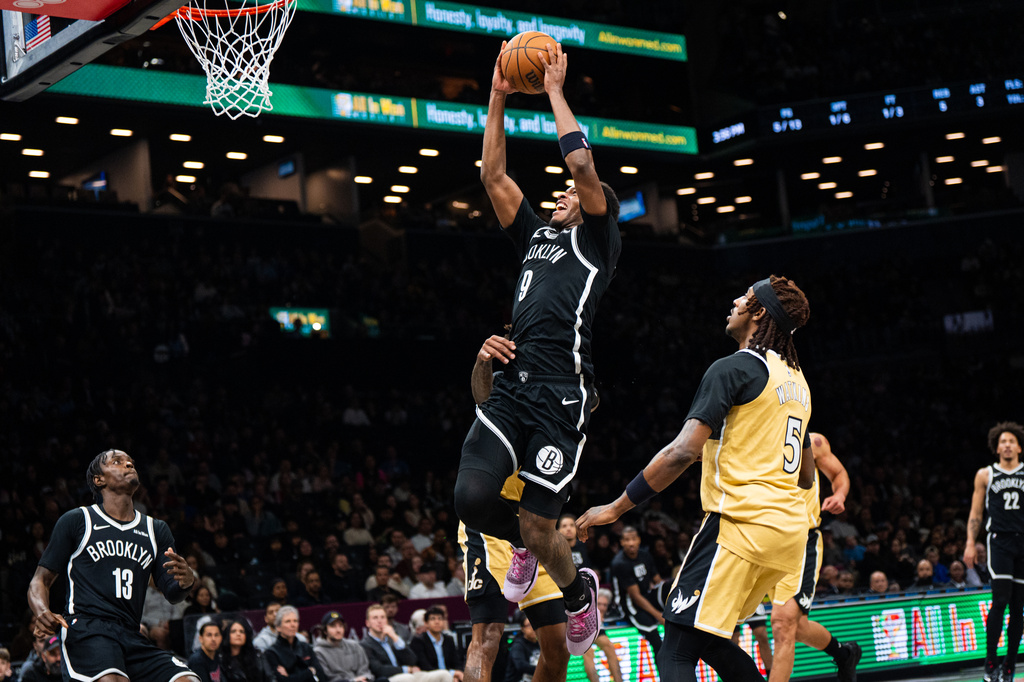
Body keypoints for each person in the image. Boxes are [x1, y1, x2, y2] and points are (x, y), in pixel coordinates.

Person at [452, 37, 622, 656]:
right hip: (514, 388)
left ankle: (579, 595)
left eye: (572, 195)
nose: (563, 193)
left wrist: (552, 90)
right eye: (562, 193)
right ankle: (524, 546)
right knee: (473, 499)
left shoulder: (596, 243)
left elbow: (582, 167)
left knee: (540, 525)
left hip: (561, 396)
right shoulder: (533, 236)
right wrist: (497, 97)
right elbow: (491, 174)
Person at [578, 275, 814, 682]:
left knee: (678, 645)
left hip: (741, 524)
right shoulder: (798, 382)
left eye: (744, 297)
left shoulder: (734, 368)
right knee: (706, 637)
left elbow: (682, 452)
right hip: (789, 535)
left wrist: (616, 507)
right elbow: (806, 477)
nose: (735, 301)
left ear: (759, 312)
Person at [27, 449, 200, 682]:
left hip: (132, 633)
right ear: (99, 480)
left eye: (131, 462)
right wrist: (42, 611)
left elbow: (173, 593)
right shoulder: (78, 520)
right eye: (117, 462)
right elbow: (40, 580)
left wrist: (187, 582)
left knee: (188, 680)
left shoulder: (156, 529)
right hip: (87, 629)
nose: (129, 465)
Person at [459, 336, 572, 682]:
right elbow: (483, 395)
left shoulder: (564, 377)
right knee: (488, 632)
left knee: (558, 645)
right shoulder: (505, 384)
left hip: (534, 525)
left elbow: (589, 402)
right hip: (494, 520)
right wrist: (483, 361)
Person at [767, 433, 861, 682]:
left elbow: (839, 474)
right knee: (797, 628)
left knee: (782, 623)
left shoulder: (813, 441)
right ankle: (844, 655)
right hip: (760, 541)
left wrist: (840, 495)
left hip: (800, 541)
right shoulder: (748, 436)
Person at [964, 421, 1024, 682]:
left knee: (1018, 605)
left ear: (1019, 447)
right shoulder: (985, 474)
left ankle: (1010, 664)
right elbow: (976, 513)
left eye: (1012, 441)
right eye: (1003, 441)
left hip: (1023, 542)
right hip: (999, 541)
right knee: (1000, 600)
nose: (1007, 444)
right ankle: (991, 661)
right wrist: (969, 542)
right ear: (996, 448)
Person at [609, 526, 666, 655]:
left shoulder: (645, 555)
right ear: (622, 542)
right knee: (657, 641)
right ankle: (664, 675)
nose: (631, 543)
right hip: (629, 605)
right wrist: (659, 615)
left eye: (633, 539)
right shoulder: (619, 563)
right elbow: (635, 597)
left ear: (639, 540)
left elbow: (658, 580)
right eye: (627, 540)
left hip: (646, 596)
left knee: (669, 586)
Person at [360, 604, 450, 682]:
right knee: (408, 678)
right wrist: (407, 669)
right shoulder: (365, 644)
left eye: (383, 617)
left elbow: (412, 660)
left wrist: (395, 638)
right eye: (375, 618)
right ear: (368, 623)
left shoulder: (393, 639)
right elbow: (379, 670)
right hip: (387, 679)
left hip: (409, 675)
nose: (380, 621)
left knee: (444, 674)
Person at [265, 606, 326, 682]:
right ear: (278, 627)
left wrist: (290, 677)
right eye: (288, 621)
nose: (293, 625)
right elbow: (282, 680)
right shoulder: (272, 653)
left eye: (295, 621)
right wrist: (310, 671)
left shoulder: (306, 647)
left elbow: (321, 675)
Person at [313, 611, 372, 682]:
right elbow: (328, 678)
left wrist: (364, 678)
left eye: (341, 626)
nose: (338, 630)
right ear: (325, 631)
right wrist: (353, 681)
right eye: (333, 626)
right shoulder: (318, 652)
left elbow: (364, 669)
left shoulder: (354, 645)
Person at [410, 606, 464, 681]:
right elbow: (425, 667)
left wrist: (456, 675)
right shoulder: (418, 641)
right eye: (433, 619)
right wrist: (452, 673)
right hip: (429, 676)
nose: (437, 622)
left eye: (440, 618)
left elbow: (457, 663)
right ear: (426, 623)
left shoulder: (448, 640)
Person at [582, 589, 623, 682]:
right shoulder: (586, 609)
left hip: (597, 628)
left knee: (609, 646)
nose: (602, 607)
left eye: (604, 605)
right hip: (583, 629)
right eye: (599, 604)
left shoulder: (607, 613)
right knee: (588, 652)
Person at [731, 605, 772, 678]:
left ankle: (771, 675)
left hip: (752, 599)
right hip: (733, 601)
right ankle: (737, 676)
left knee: (762, 634)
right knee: (733, 639)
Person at [505, 616, 541, 682]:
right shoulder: (518, 645)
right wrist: (543, 670)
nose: (533, 628)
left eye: (535, 624)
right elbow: (521, 666)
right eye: (529, 625)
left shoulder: (540, 644)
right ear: (522, 629)